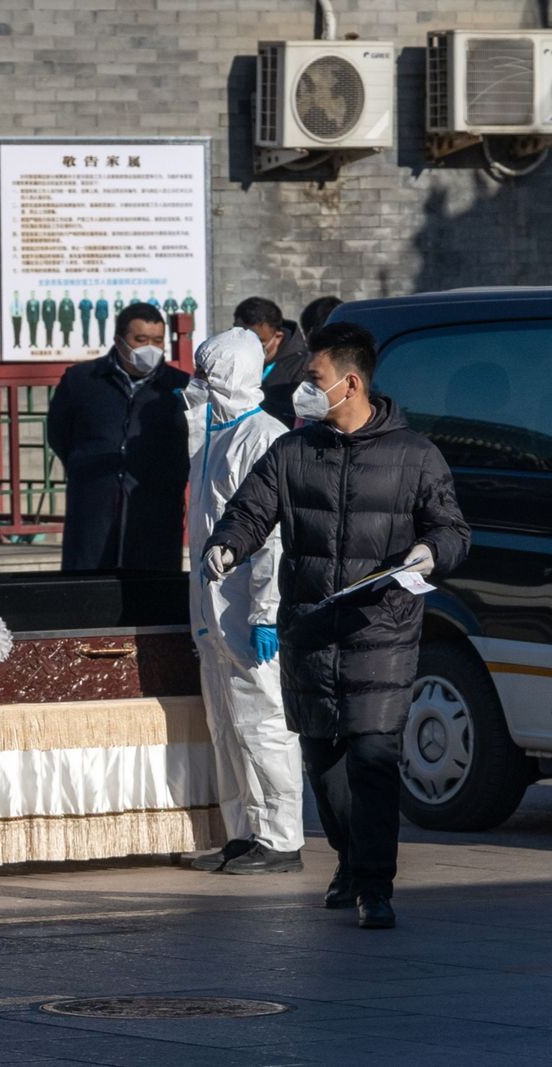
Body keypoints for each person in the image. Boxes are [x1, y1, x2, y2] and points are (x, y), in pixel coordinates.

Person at [204, 322, 471, 930]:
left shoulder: (415, 456)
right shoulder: (295, 452)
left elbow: (452, 530)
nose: (303, 388)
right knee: (324, 764)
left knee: (373, 758)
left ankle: (376, 887)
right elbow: (250, 510)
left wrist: (431, 554)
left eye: (313, 379)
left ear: (349, 384)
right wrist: (227, 545)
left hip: (382, 629)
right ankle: (350, 864)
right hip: (310, 627)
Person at [183, 328, 304, 876]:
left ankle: (282, 838)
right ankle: (243, 832)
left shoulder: (264, 438)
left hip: (250, 614)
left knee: (264, 725)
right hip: (212, 613)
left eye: (208, 376)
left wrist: (265, 611)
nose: (199, 385)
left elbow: (275, 539)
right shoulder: (212, 436)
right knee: (226, 726)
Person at [45, 302, 189, 572]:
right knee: (88, 587)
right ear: (119, 340)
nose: (150, 348)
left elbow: (187, 444)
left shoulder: (179, 386)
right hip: (94, 501)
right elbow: (59, 433)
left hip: (154, 505)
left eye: (158, 341)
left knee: (153, 592)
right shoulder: (82, 380)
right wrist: (85, 465)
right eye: (140, 339)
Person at [234, 296, 312, 429]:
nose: (248, 346)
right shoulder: (234, 362)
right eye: (241, 338)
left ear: (278, 336)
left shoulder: (301, 367)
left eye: (258, 340)